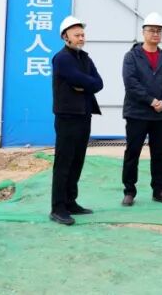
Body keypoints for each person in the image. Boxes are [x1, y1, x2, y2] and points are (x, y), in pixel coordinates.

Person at [49, 16, 104, 226]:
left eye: (82, 34)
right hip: (67, 116)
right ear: (65, 37)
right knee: (64, 162)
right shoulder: (62, 58)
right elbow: (76, 78)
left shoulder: (85, 58)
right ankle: (58, 207)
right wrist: (85, 83)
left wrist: (84, 85)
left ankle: (70, 202)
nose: (81, 38)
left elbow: (98, 83)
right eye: (77, 35)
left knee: (77, 160)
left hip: (84, 114)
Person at [121, 12, 162, 207]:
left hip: (159, 114)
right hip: (137, 113)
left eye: (159, 31)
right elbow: (131, 83)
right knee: (133, 152)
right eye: (152, 30)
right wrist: (151, 100)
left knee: (158, 153)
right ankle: (129, 191)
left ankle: (159, 191)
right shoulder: (132, 57)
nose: (155, 34)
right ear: (143, 32)